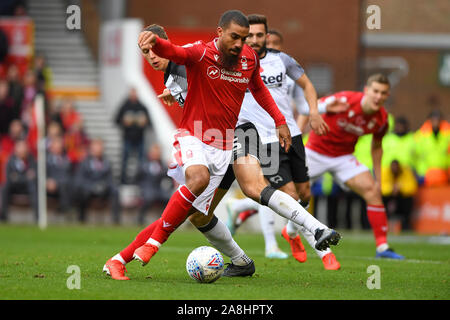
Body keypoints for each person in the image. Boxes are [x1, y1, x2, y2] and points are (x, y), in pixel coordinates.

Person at [104, 11, 340, 280]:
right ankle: (241, 262)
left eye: (155, 50)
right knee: (196, 216)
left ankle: (317, 230)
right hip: (209, 142)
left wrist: (279, 120)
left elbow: (184, 56)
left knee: (254, 188)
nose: (153, 57)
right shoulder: (171, 78)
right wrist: (176, 92)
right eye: (147, 54)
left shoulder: (190, 57)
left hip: (237, 132)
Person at [225, 14, 342, 268]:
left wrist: (313, 112)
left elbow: (308, 85)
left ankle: (289, 233)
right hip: (261, 139)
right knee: (288, 193)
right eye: (250, 36)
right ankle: (324, 252)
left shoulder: (282, 61)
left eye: (259, 35)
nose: (254, 40)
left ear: (266, 36)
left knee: (304, 194)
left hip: (291, 133)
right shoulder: (235, 62)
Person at [297, 73, 405, 259]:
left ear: (387, 95)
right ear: (366, 91)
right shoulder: (345, 99)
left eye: (383, 93)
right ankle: (243, 209)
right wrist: (296, 138)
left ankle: (382, 247)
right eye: (376, 91)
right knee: (284, 191)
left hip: (343, 158)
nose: (379, 97)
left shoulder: (382, 119)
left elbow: (377, 148)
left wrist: (378, 179)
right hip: (315, 152)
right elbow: (309, 109)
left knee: (372, 191)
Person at [73, 138, 121, 223]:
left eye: (100, 147)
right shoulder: (84, 162)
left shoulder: (107, 162)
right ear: (91, 149)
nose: (98, 150)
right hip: (89, 190)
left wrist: (104, 186)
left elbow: (110, 180)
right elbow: (79, 180)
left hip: (103, 189)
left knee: (115, 192)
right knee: (82, 193)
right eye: (96, 147)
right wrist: (92, 187)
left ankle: (116, 220)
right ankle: (81, 219)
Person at [115, 87, 152, 183]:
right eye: (132, 93)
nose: (133, 96)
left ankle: (140, 180)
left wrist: (144, 122)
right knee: (125, 160)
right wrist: (124, 122)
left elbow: (149, 123)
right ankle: (123, 180)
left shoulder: (142, 106)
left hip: (139, 138)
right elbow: (116, 120)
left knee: (141, 161)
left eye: (134, 93)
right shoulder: (124, 106)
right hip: (128, 138)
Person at [0, 140, 38, 222]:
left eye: (24, 148)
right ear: (15, 150)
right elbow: (9, 176)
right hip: (14, 186)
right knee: (5, 187)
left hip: (27, 187)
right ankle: (3, 216)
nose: (22, 151)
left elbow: (33, 175)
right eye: (20, 148)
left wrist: (17, 177)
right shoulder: (10, 161)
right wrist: (25, 177)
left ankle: (37, 217)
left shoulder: (32, 160)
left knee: (34, 187)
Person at [137, 144, 174, 225]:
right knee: (148, 198)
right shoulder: (143, 165)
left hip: (158, 189)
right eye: (154, 153)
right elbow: (138, 179)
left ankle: (165, 220)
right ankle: (140, 219)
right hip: (147, 189)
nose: (156, 155)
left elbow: (169, 178)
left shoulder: (163, 166)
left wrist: (168, 188)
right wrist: (142, 188)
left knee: (168, 199)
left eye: (157, 153)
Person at [414, 109, 449, 187]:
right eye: (433, 119)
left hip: (444, 173)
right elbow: (416, 154)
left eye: (437, 119)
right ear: (429, 121)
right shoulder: (421, 135)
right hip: (425, 174)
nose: (435, 122)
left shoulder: (447, 134)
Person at [381, 160, 418, 230]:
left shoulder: (406, 171)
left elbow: (412, 187)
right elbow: (381, 187)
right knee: (380, 200)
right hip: (388, 195)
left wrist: (400, 188)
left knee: (408, 200)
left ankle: (406, 225)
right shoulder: (385, 172)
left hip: (402, 196)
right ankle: (381, 224)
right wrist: (391, 188)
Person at [46, 136, 72, 213]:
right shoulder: (46, 159)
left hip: (65, 185)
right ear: (51, 147)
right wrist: (47, 181)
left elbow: (68, 174)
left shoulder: (66, 159)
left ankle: (66, 209)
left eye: (60, 146)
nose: (58, 148)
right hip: (51, 186)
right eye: (56, 146)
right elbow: (43, 173)